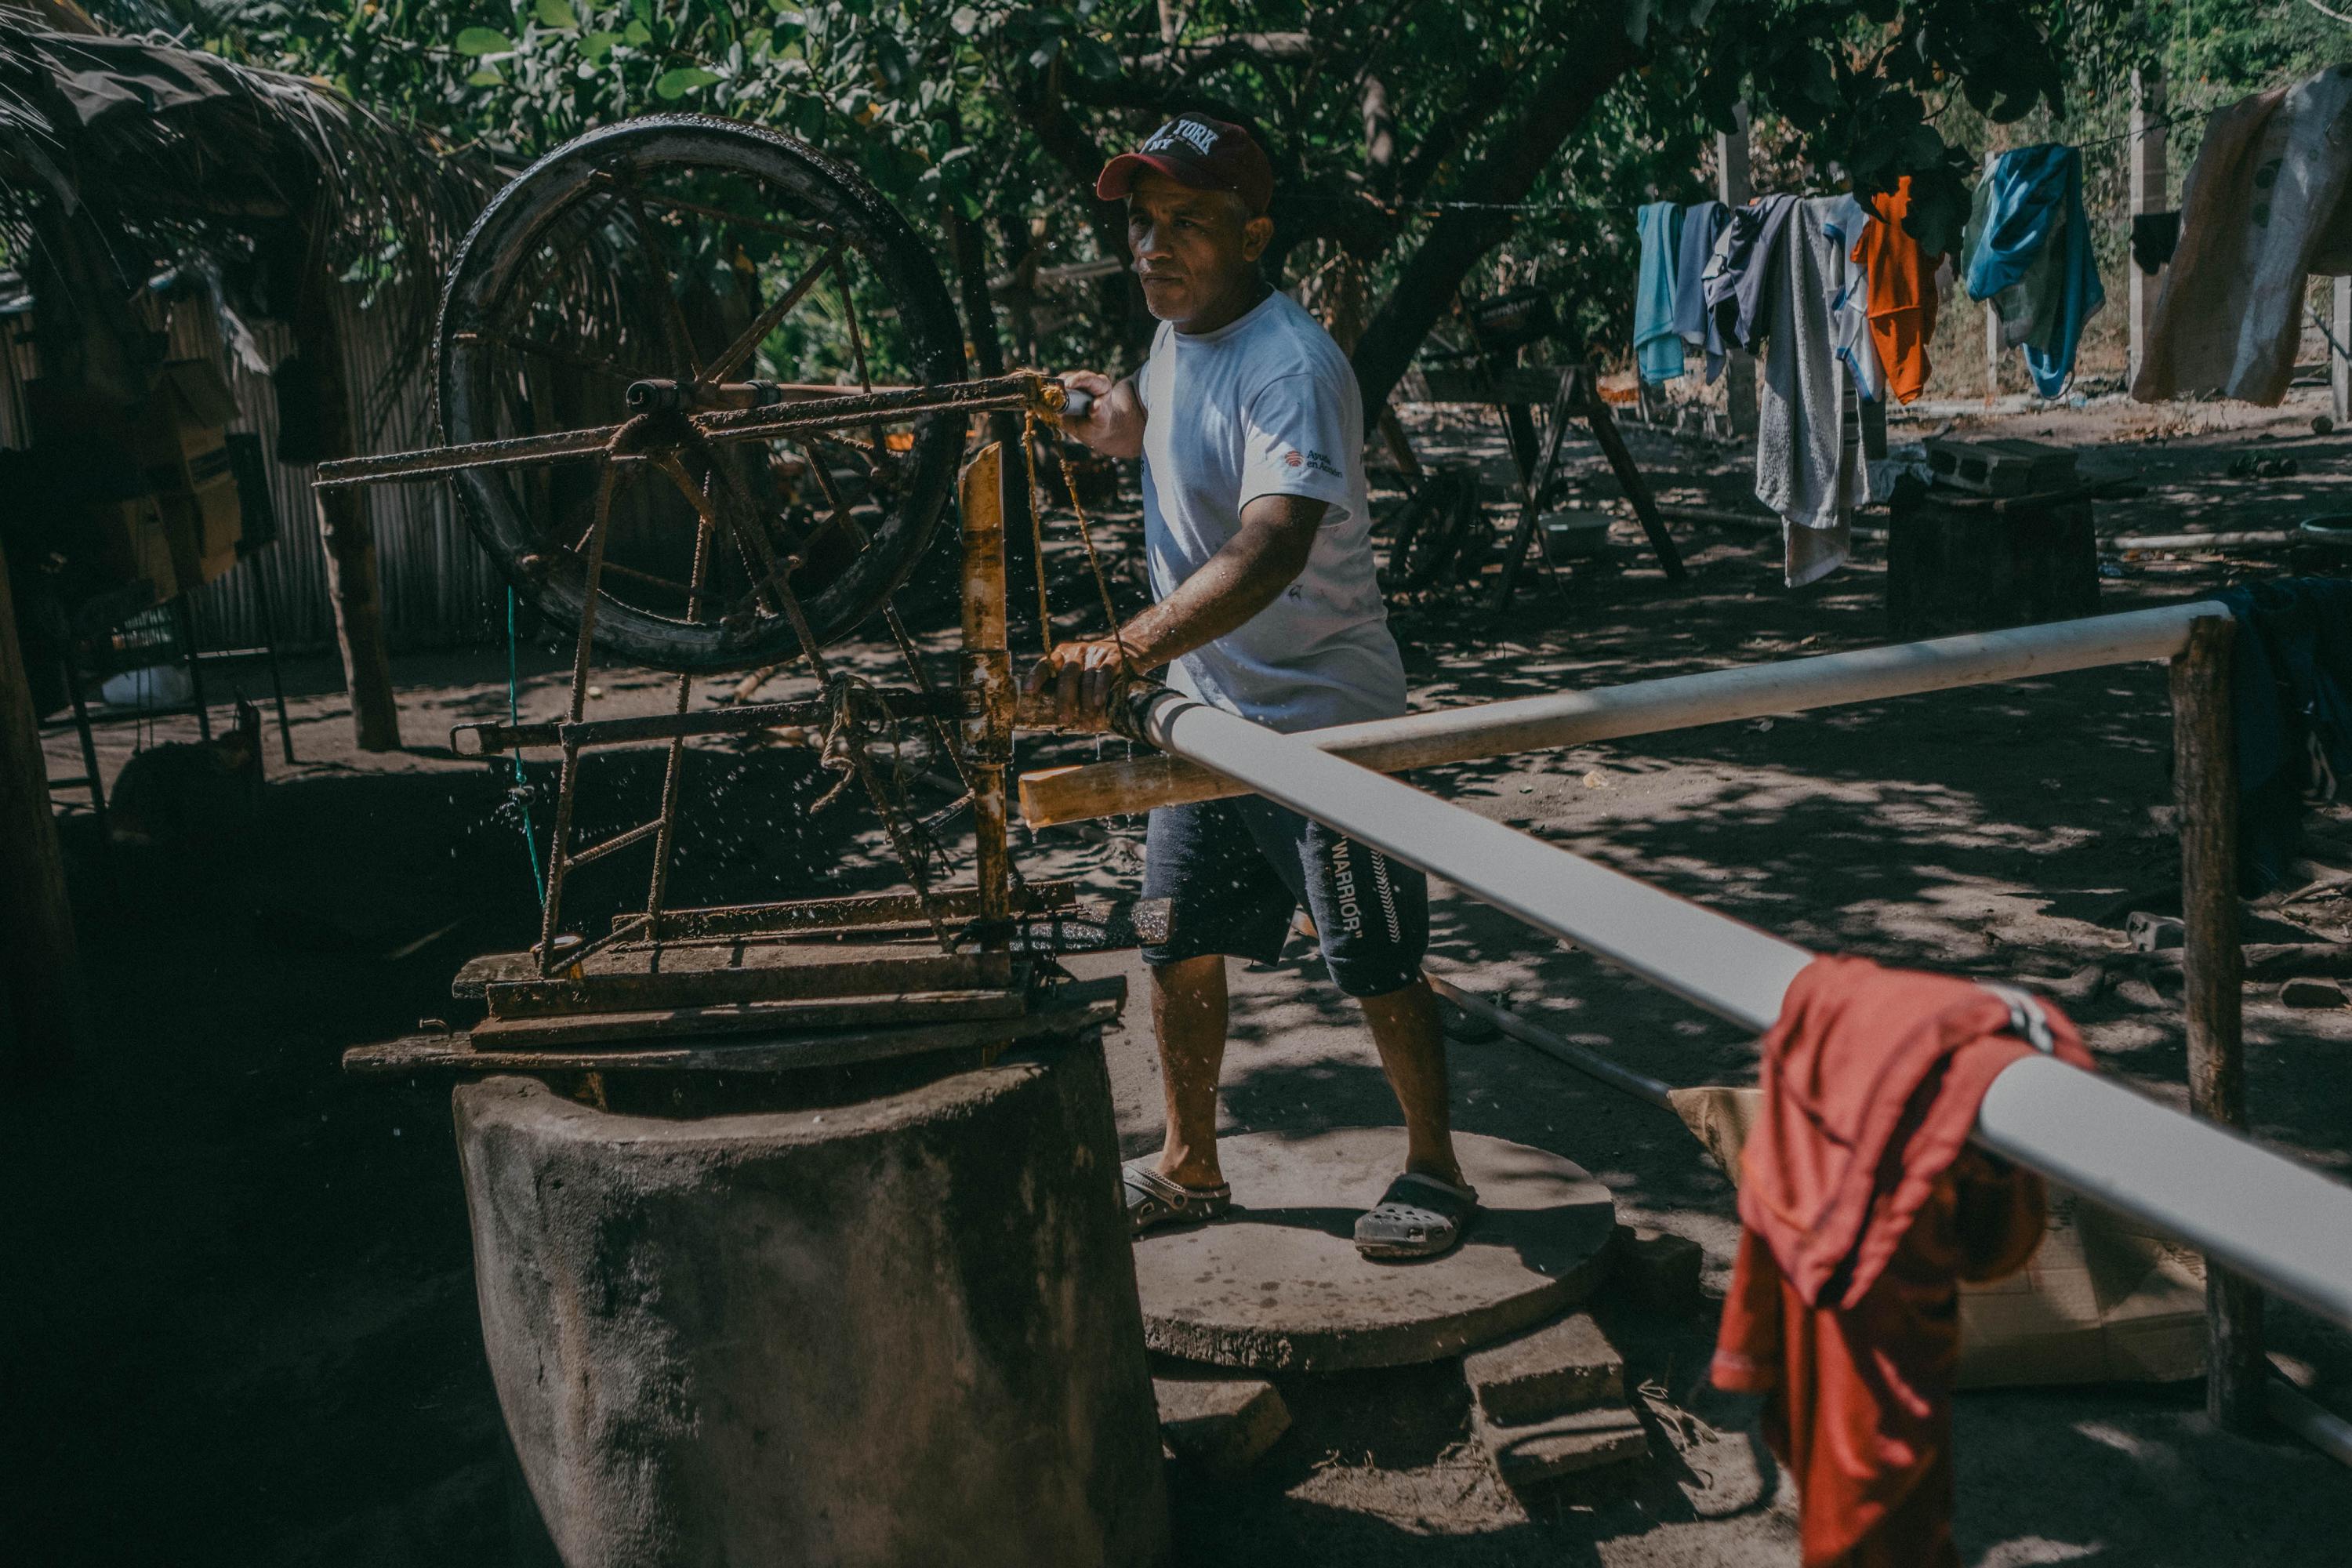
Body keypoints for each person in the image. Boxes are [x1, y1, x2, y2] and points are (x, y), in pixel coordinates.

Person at [1031, 115, 1475, 1260]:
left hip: (1325, 727)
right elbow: (1154, 420)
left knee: (1373, 957)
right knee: (1174, 941)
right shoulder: (1181, 338)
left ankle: (1435, 1167)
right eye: (1142, 221)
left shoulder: (1295, 365)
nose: (1154, 246)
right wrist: (1099, 414)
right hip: (1210, 719)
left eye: (1188, 223)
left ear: (1255, 234)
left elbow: (1271, 546)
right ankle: (1190, 1165)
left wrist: (1122, 651)